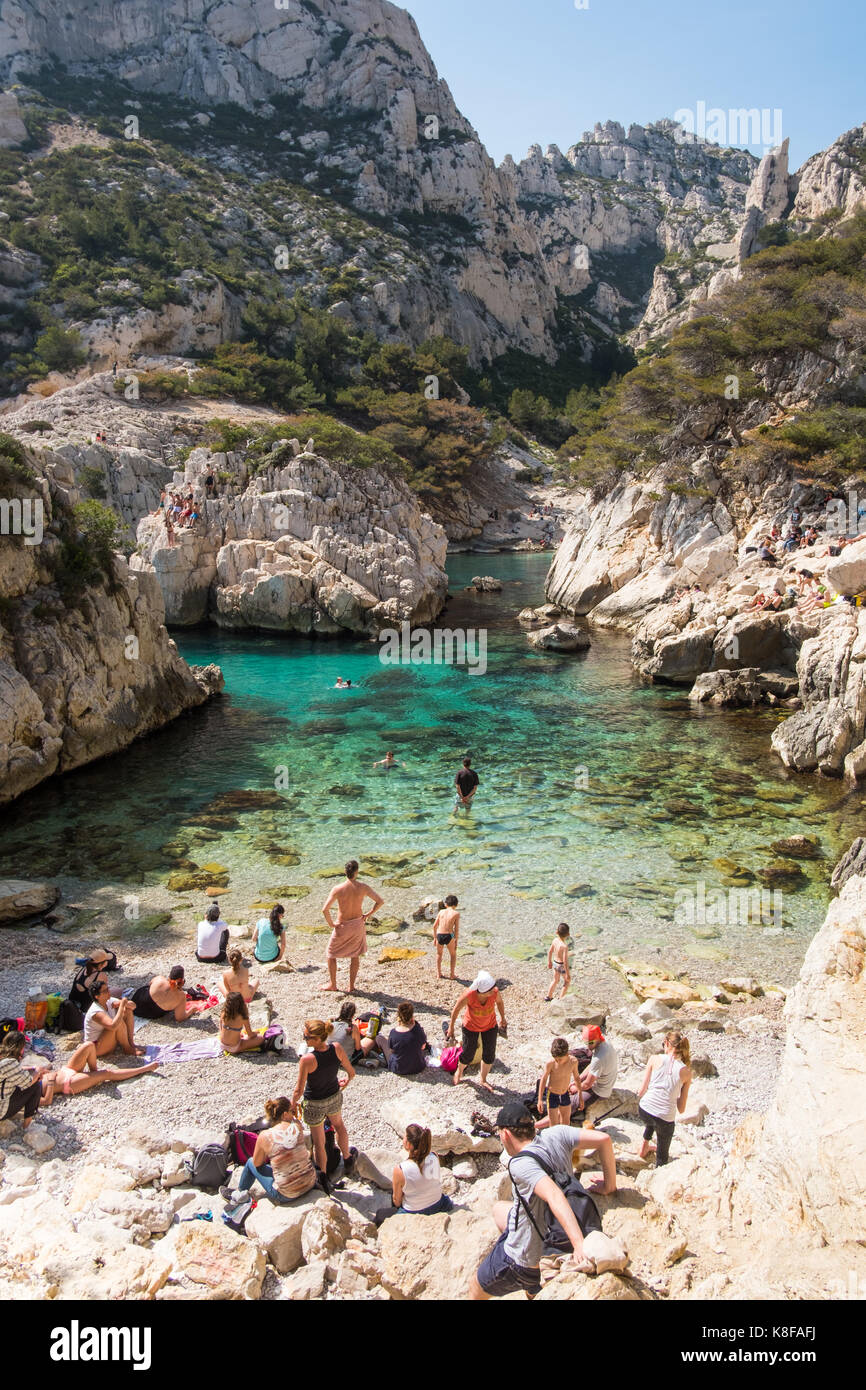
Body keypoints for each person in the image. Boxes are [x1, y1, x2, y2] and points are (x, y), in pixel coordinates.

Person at [471, 1102, 617, 1300]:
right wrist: (609, 1186)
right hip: (557, 1231)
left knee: (476, 1287)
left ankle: (530, 1282)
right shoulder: (557, 1134)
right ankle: (533, 1290)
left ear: (505, 1134)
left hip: (526, 1260)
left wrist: (579, 1245)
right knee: (498, 1209)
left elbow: (554, 1195)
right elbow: (604, 1139)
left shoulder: (521, 1164)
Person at [221, 1097, 317, 1205]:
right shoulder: (298, 1126)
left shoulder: (265, 1136)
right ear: (285, 1114)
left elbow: (257, 1163)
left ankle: (238, 1196)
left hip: (287, 1194)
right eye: (292, 1112)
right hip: (311, 1183)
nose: (294, 1115)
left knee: (250, 1162)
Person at [291, 1019, 356, 1175]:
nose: (304, 1039)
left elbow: (299, 1090)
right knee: (339, 1126)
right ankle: (347, 1158)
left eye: (307, 1037)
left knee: (319, 1143)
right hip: (334, 1096)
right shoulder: (337, 1048)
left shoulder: (307, 1060)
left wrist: (293, 1104)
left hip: (314, 1103)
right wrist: (345, 1083)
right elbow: (351, 1072)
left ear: (318, 1038)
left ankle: (323, 1177)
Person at [321, 860, 384, 993]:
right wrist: (368, 914)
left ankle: (333, 984)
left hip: (342, 925)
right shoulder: (363, 887)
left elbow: (325, 909)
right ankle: (351, 986)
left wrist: (331, 924)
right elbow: (380, 901)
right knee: (355, 955)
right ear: (356, 872)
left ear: (345, 872)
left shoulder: (338, 889)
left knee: (331, 954)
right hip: (357, 924)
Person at [375, 1125, 453, 1224]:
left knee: (380, 1215)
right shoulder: (434, 1156)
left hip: (414, 1212)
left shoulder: (400, 1170)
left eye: (405, 1137)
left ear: (409, 1144)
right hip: (439, 1204)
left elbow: (397, 1202)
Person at [637, 1031, 693, 1167]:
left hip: (644, 1110)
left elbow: (641, 1091)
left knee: (652, 1120)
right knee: (662, 1155)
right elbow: (681, 1108)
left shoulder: (654, 1058)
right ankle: (660, 1167)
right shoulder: (687, 1072)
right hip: (664, 1120)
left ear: (667, 1044)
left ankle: (644, 1146)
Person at [38, 1041, 157, 1104]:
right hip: (68, 1083)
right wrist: (51, 1082)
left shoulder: (21, 1075)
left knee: (89, 1045)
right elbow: (46, 1101)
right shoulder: (22, 1094)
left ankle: (94, 1075)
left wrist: (43, 1072)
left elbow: (42, 1070)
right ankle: (144, 1069)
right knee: (107, 1073)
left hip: (65, 1070)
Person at [445, 970, 506, 1093]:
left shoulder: (494, 992)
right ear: (483, 992)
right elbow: (456, 1010)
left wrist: (503, 1018)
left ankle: (483, 1079)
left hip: (490, 1025)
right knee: (468, 1053)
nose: (494, 990)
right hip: (470, 1026)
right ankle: (459, 1071)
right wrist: (451, 1027)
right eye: (490, 990)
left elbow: (499, 1002)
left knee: (489, 1055)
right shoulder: (469, 995)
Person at [84, 982, 143, 1057]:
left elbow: (133, 1006)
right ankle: (127, 1049)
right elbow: (113, 1026)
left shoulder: (108, 1000)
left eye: (108, 989)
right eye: (105, 991)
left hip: (107, 1038)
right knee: (118, 1022)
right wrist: (121, 1006)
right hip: (96, 1047)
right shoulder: (96, 1011)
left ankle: (131, 1044)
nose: (108, 992)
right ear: (97, 996)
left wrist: (121, 1003)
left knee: (128, 1011)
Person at [0, 1031, 42, 1129]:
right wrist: (38, 1072)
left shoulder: (3, 1057)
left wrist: (30, 1068)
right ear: (20, 1047)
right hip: (1, 1110)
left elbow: (11, 1072)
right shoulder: (10, 1062)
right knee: (36, 1085)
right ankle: (27, 1124)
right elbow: (28, 1082)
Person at [538, 1037, 582, 1127]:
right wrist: (539, 1100)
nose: (558, 1061)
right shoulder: (551, 1063)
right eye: (556, 1059)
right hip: (552, 1095)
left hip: (565, 1093)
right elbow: (544, 1079)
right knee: (553, 1124)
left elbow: (577, 1078)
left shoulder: (573, 1061)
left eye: (560, 1059)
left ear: (567, 1054)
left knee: (566, 1123)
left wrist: (580, 1096)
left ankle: (564, 1140)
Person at [130, 967, 201, 1022]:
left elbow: (149, 984)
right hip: (151, 1014)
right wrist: (191, 1010)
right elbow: (180, 1018)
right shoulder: (181, 996)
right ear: (182, 981)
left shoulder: (160, 979)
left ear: (169, 977)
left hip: (136, 1002)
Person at [329, 1001, 383, 1067]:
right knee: (371, 1040)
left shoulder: (331, 1025)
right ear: (353, 1015)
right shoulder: (353, 1027)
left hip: (329, 1058)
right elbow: (358, 1048)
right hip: (344, 1061)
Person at [69, 947, 119, 1012]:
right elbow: (105, 995)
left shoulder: (84, 969)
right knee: (118, 991)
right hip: (86, 1009)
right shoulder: (101, 975)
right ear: (102, 964)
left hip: (73, 1004)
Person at [387, 1002, 428, 1076]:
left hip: (398, 1068)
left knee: (379, 1039)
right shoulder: (418, 1031)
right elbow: (423, 1046)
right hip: (417, 1067)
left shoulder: (393, 1033)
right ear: (412, 1017)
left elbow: (391, 1050)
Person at [432, 895, 460, 979]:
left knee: (439, 954)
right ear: (456, 905)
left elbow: (434, 926)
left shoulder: (441, 912)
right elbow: (456, 929)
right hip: (449, 935)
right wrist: (456, 941)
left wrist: (435, 938)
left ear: (446, 904)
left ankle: (439, 974)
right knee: (453, 954)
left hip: (439, 934)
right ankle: (452, 975)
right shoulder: (456, 913)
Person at [544, 922, 571, 1001]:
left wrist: (549, 962)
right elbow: (565, 962)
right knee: (567, 982)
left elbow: (550, 952)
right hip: (561, 965)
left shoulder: (555, 940)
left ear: (557, 932)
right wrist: (568, 974)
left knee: (555, 980)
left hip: (555, 963)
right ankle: (560, 999)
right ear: (568, 934)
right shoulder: (564, 946)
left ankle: (548, 996)